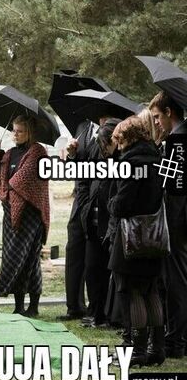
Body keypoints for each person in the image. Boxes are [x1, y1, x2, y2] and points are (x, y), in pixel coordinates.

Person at [106, 116, 165, 366]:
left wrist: (111, 203)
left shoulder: (130, 163)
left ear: (128, 138)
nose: (118, 146)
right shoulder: (157, 158)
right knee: (151, 291)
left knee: (131, 292)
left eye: (119, 140)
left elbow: (123, 203)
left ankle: (137, 350)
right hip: (155, 235)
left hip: (131, 236)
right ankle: (156, 348)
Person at [0, 115, 49, 317]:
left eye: (20, 131)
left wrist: (6, 187)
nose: (15, 135)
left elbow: (21, 181)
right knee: (13, 257)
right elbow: (0, 179)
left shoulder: (38, 152)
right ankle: (19, 305)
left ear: (29, 132)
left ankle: (33, 305)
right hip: (10, 213)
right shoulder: (10, 154)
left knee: (29, 259)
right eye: (14, 131)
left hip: (31, 215)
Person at [61, 115, 111, 321]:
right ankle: (74, 306)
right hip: (80, 200)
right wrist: (72, 155)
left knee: (94, 259)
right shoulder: (82, 126)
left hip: (97, 201)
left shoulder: (109, 127)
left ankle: (97, 308)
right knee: (73, 250)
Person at [148, 91, 187, 359]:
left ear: (169, 113)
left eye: (157, 116)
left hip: (178, 221)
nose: (156, 122)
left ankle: (176, 341)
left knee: (177, 282)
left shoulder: (177, 140)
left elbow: (172, 185)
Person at [80, 118, 121, 328]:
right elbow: (84, 180)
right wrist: (85, 205)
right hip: (93, 221)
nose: (103, 148)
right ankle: (95, 312)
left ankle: (107, 315)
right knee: (92, 269)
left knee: (108, 272)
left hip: (110, 224)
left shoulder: (122, 162)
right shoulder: (97, 155)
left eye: (106, 144)